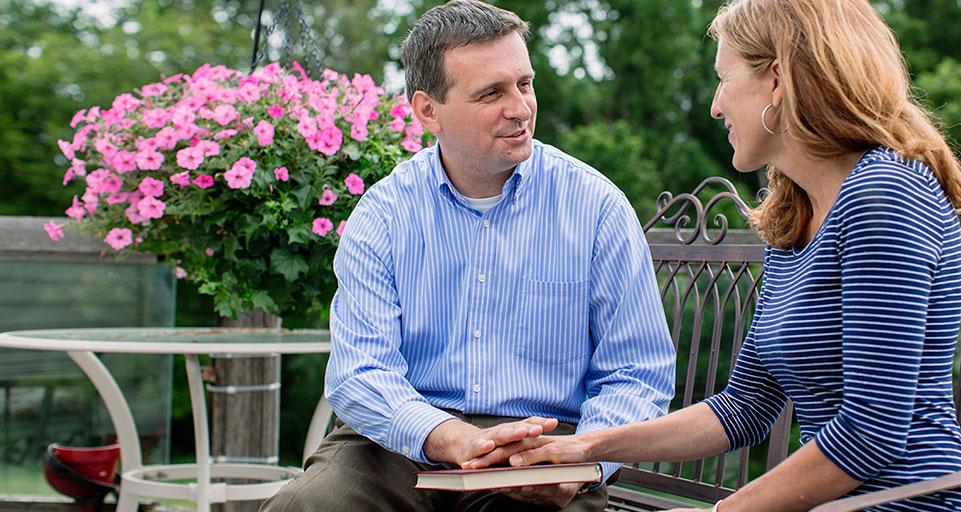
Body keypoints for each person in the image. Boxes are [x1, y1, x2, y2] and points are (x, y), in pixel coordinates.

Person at [477, 1, 961, 511]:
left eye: (724, 79)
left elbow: (871, 432)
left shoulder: (885, 193)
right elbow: (745, 407)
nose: (715, 107)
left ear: (778, 80)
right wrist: (582, 447)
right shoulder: (794, 214)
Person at [259, 1, 676, 511]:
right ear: (428, 110)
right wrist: (446, 436)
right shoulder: (384, 213)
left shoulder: (595, 207)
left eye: (524, 84)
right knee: (308, 507)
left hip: (545, 447)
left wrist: (580, 458)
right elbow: (360, 372)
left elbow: (637, 371)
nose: (520, 108)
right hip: (401, 443)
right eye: (491, 93)